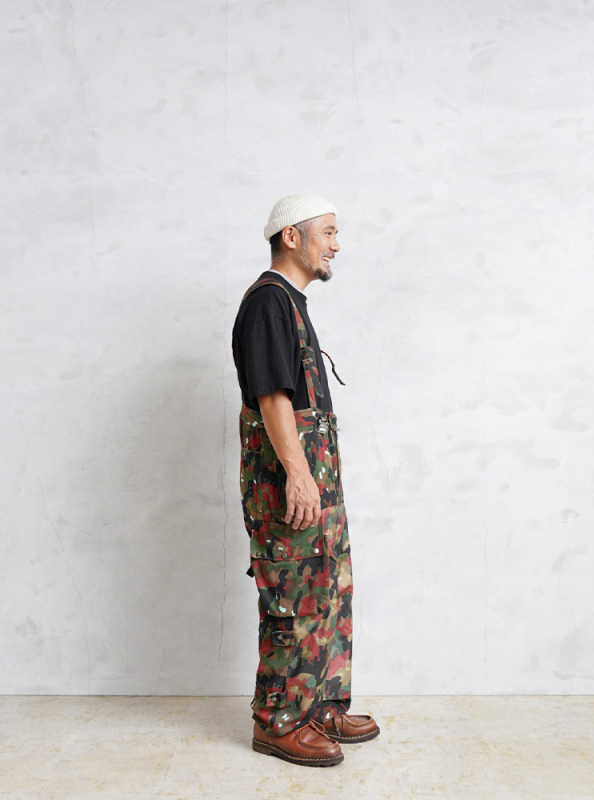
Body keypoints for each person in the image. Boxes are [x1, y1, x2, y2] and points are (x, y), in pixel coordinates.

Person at [232, 193, 379, 767]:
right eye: (329, 232)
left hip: (317, 481)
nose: (336, 245)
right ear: (291, 237)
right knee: (293, 600)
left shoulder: (292, 303)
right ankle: (278, 722)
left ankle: (321, 706)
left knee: (330, 590)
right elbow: (272, 396)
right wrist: (297, 474)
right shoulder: (269, 302)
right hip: (289, 483)